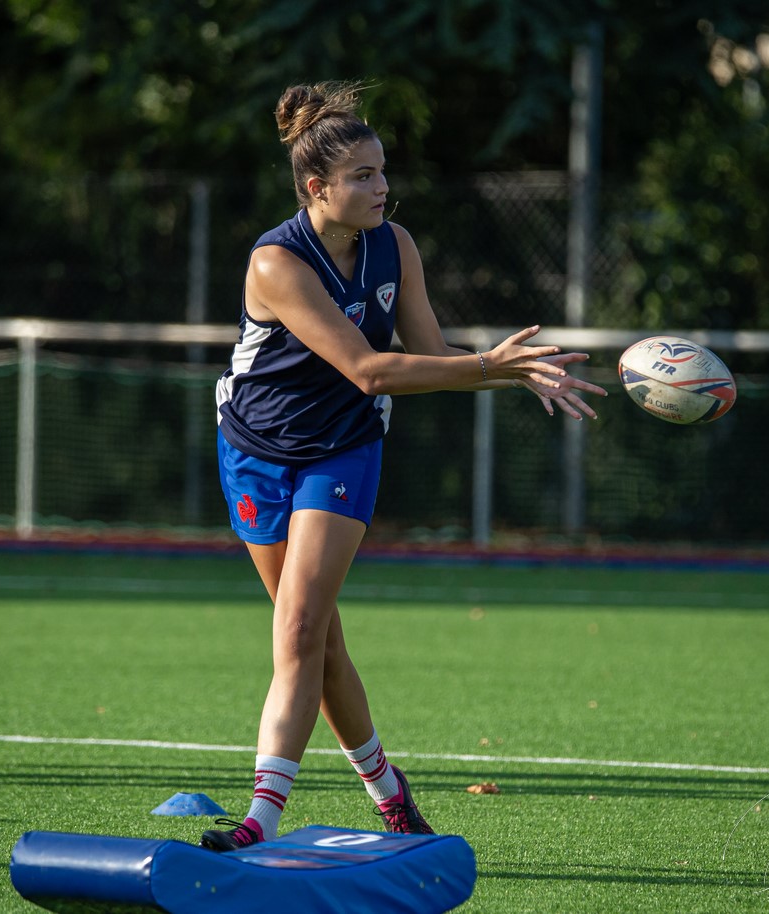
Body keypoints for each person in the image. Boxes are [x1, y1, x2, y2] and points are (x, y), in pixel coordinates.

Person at [199, 82, 606, 851]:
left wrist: (513, 371)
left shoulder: (397, 246)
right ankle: (390, 794)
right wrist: (490, 365)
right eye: (363, 177)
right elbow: (372, 368)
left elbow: (427, 357)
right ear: (317, 188)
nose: (383, 187)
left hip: (343, 450)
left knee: (297, 627)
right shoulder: (275, 264)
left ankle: (260, 819)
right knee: (320, 644)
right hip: (253, 453)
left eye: (383, 172)